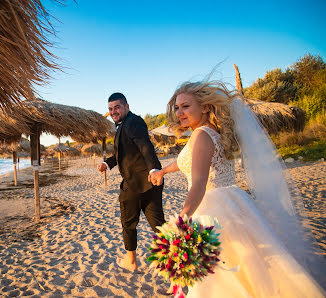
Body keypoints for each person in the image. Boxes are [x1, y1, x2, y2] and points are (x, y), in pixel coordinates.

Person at [149, 79, 325, 297]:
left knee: (219, 278)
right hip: (233, 201)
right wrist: (163, 171)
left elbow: (199, 183)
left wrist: (182, 219)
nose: (179, 113)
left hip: (211, 208)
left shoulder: (201, 135)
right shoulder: (212, 132)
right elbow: (189, 162)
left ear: (205, 107)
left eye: (186, 106)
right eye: (177, 107)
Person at [97, 92, 166, 272]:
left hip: (137, 183)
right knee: (159, 226)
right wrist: (108, 163)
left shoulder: (133, 122)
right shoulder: (124, 125)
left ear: (127, 106)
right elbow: (125, 154)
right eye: (110, 109)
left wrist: (153, 168)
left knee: (128, 224)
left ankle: (132, 262)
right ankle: (171, 262)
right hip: (150, 183)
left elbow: (145, 145)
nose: (113, 111)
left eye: (117, 107)